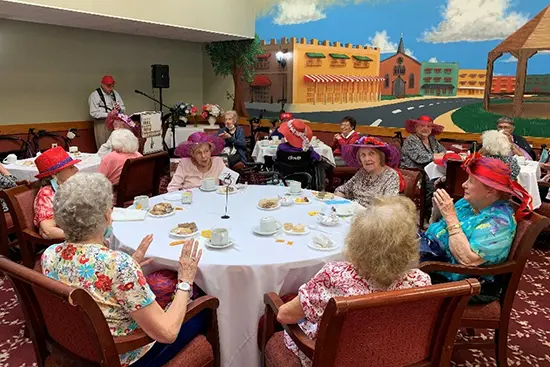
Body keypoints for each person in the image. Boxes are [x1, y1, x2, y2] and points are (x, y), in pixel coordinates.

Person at [42, 173, 205, 366]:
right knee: (203, 308)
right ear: (107, 216)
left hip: (78, 348)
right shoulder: (117, 265)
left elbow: (91, 283)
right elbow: (167, 333)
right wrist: (185, 281)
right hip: (122, 357)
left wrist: (130, 266)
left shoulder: (50, 254)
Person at [276, 196, 431, 366]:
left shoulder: (334, 275)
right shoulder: (421, 281)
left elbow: (285, 315)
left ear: (357, 240)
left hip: (337, 359)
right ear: (410, 244)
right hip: (394, 357)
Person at [421, 154, 532, 304]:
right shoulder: (469, 203)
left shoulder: (499, 222)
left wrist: (450, 216)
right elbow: (438, 226)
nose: (464, 185)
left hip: (467, 283)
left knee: (394, 277)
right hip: (436, 266)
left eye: (471, 181)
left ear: (491, 191)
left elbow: (468, 260)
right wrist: (438, 210)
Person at [400, 115, 446, 220]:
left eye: (429, 127)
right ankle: (426, 215)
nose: (425, 129)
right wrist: (435, 156)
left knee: (445, 180)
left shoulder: (432, 140)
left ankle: (438, 213)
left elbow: (443, 151)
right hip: (413, 173)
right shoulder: (411, 139)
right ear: (416, 127)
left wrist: (440, 155)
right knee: (433, 182)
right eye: (422, 126)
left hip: (429, 170)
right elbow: (419, 157)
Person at [335, 136, 401, 207]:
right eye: (363, 155)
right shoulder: (362, 172)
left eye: (371, 154)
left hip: (374, 216)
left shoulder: (391, 176)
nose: (367, 159)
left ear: (381, 156)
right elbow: (341, 190)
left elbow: (388, 206)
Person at [33, 146, 79, 239]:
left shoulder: (71, 186)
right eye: (71, 167)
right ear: (54, 174)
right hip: (65, 240)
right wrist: (83, 236)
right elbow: (48, 231)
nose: (76, 169)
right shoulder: (46, 194)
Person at [89, 75, 126, 150]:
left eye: (112, 86)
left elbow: (123, 108)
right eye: (108, 86)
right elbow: (93, 113)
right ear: (102, 84)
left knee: (116, 147)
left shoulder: (115, 94)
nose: (111, 88)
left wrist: (119, 109)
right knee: (104, 147)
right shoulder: (94, 95)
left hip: (115, 123)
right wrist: (108, 114)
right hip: (102, 124)